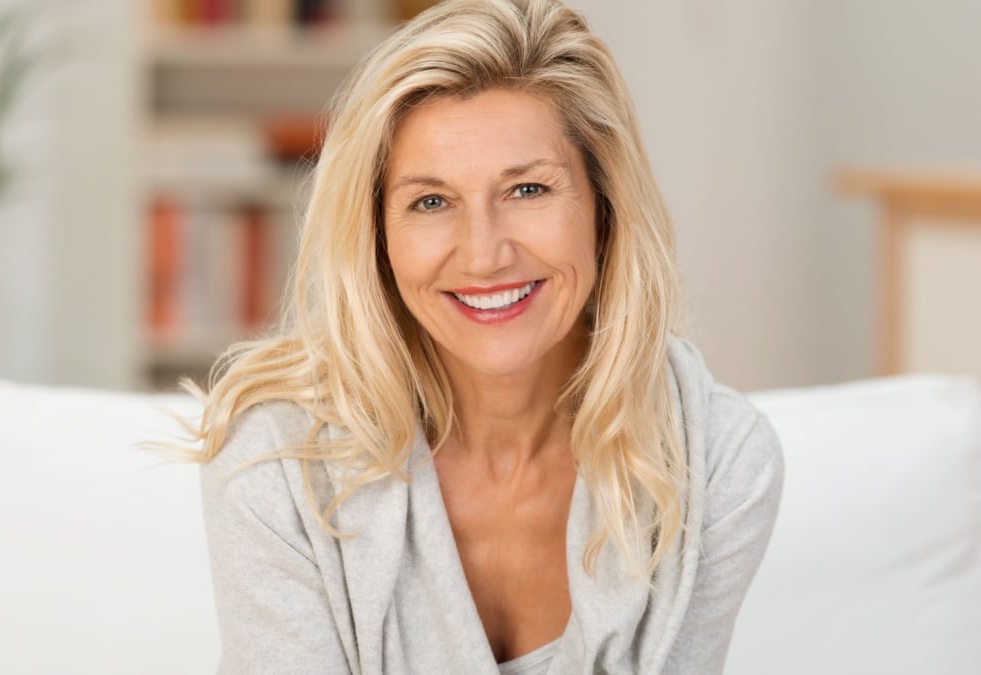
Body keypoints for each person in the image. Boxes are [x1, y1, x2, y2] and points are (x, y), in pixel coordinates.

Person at [178, 0, 784, 672]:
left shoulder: (716, 463)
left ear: (604, 210)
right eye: (431, 201)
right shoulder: (275, 457)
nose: (484, 255)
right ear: (378, 240)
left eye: (527, 189)